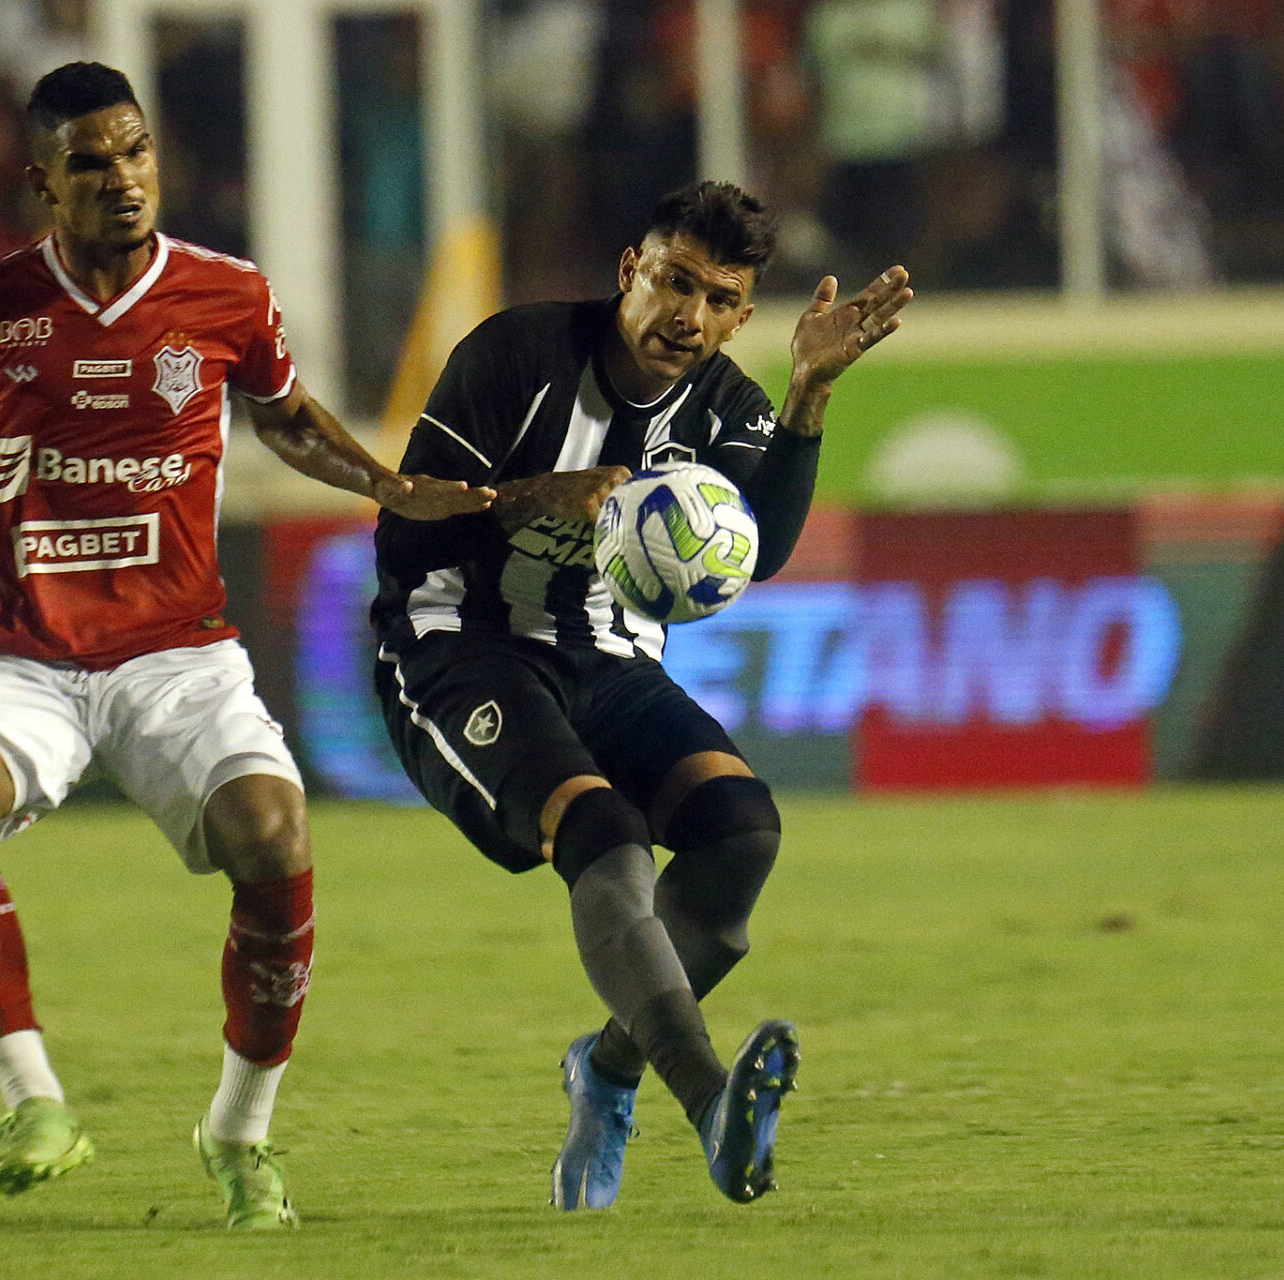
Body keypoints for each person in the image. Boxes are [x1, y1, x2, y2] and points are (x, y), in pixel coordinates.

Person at [0, 62, 485, 1228]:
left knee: (274, 835)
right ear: (43, 183)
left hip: (180, 654)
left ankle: (238, 1132)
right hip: (27, 655)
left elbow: (285, 419)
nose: (123, 178)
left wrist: (386, 484)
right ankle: (33, 1102)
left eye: (135, 153)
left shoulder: (227, 296)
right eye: (91, 162)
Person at [370, 180, 911, 1208]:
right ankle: (712, 1101)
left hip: (610, 656)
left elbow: (760, 553)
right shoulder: (515, 356)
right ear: (632, 269)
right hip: (461, 643)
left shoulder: (726, 403)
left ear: (743, 315)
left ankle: (609, 1068)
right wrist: (522, 500)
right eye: (674, 283)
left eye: (718, 300)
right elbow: (402, 531)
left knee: (740, 829)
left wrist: (806, 400)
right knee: (606, 831)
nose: (688, 318)